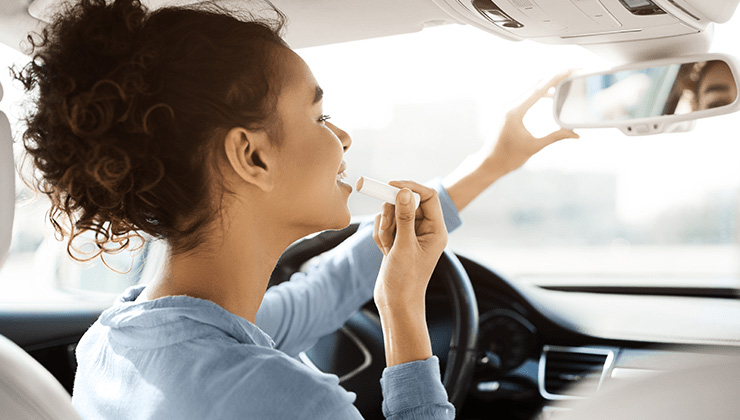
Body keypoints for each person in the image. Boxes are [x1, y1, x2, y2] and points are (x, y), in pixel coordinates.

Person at [12, 0, 578, 418]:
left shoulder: (113, 340)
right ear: (251, 156)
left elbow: (318, 294)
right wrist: (404, 316)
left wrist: (492, 163)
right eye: (320, 116)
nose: (344, 138)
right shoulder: (289, 402)